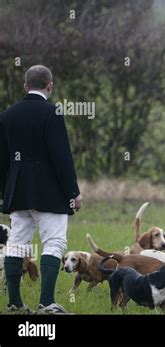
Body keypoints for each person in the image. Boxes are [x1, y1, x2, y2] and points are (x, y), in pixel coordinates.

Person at [0, 65, 82, 314]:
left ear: (25, 86)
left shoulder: (7, 115)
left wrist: (5, 191)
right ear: (50, 86)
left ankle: (14, 303)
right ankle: (46, 302)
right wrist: (73, 192)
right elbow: (61, 157)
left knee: (16, 243)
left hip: (17, 191)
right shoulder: (52, 112)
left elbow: (2, 159)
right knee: (54, 242)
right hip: (49, 193)